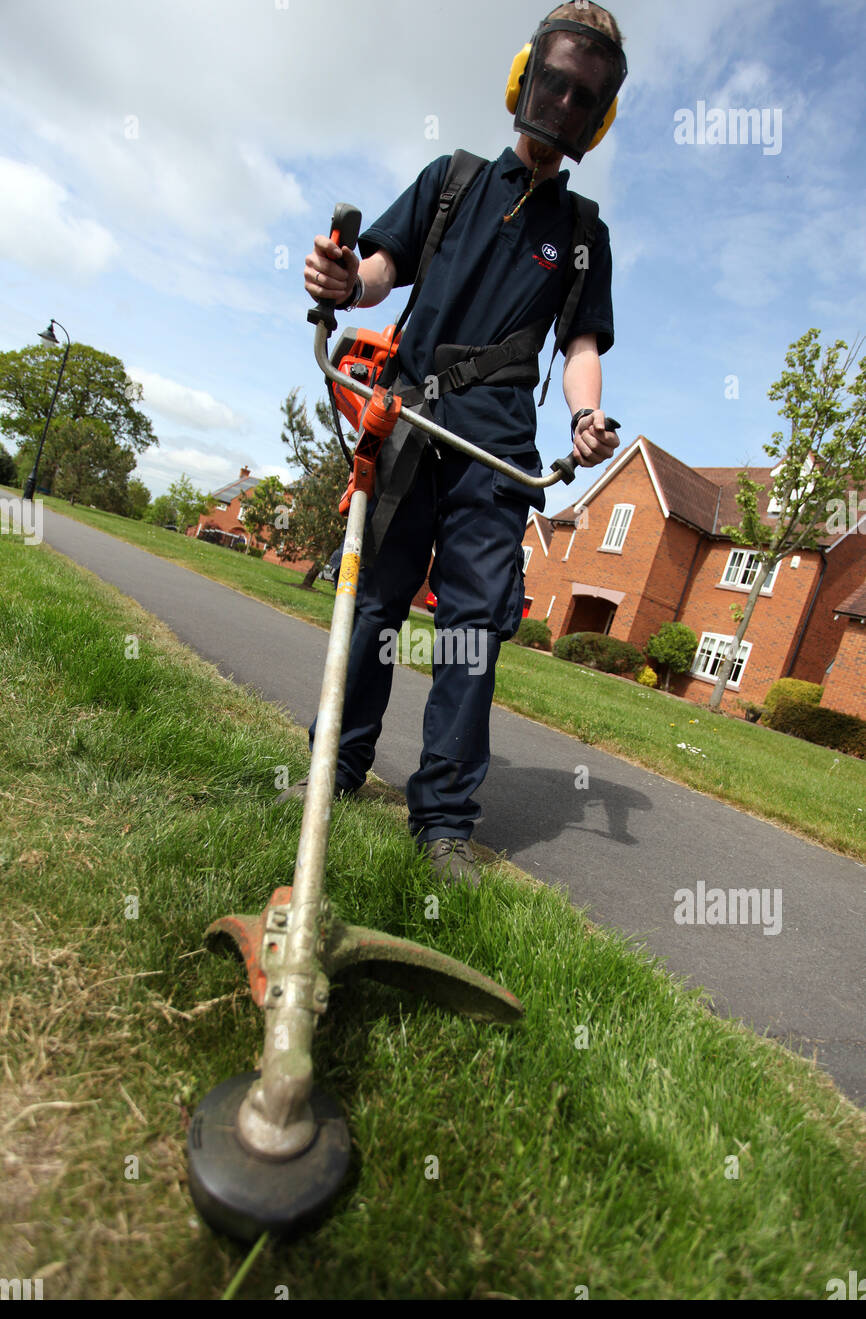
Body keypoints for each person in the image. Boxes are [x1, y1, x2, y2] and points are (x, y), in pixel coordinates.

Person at [289, 2, 626, 885]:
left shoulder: (584, 235)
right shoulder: (451, 180)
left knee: (471, 629)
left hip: (497, 449)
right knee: (374, 604)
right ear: (525, 80)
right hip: (403, 420)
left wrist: (586, 417)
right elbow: (380, 268)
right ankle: (336, 769)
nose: (562, 103)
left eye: (582, 94)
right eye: (553, 81)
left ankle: (441, 823)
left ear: (600, 114)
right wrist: (341, 279)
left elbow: (581, 346)